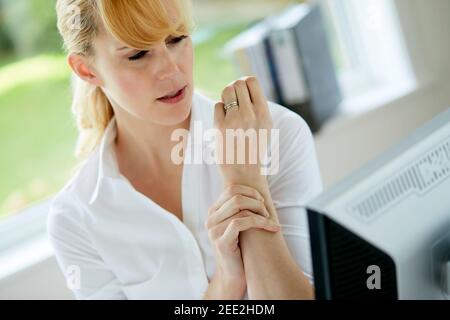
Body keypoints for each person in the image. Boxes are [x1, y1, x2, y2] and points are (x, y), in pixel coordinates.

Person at [48, 0, 323, 300]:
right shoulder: (75, 218)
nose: (170, 69)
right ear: (86, 70)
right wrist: (228, 280)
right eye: (138, 54)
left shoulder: (276, 135)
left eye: (176, 39)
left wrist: (245, 178)